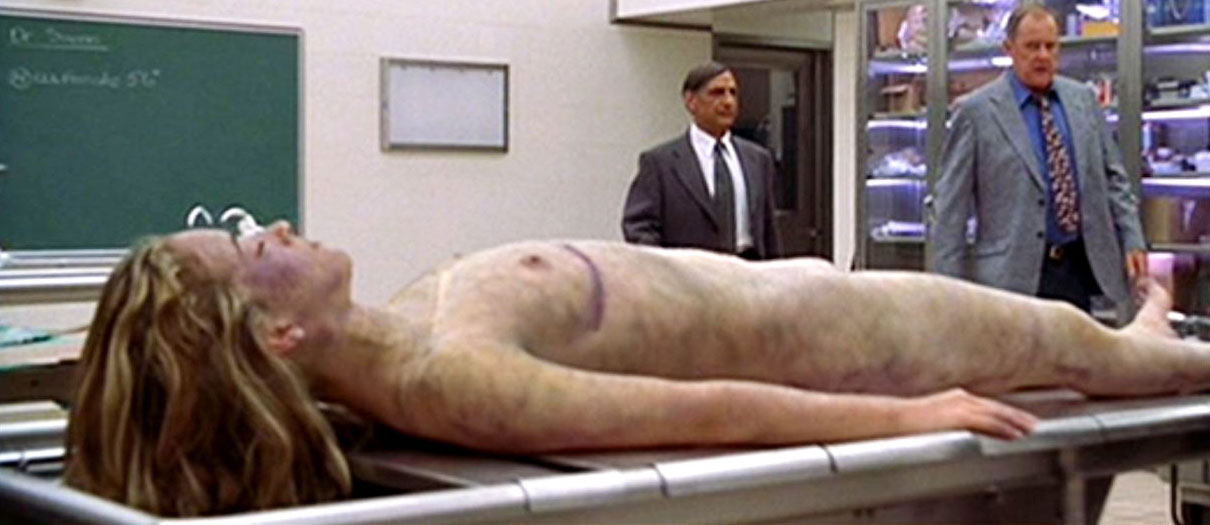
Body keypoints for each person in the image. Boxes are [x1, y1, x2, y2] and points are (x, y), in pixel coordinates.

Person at [68, 222, 1210, 516]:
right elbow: (700, 409)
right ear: (274, 336)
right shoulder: (449, 381)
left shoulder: (401, 334)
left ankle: (1152, 317)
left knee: (1111, 348)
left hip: (822, 299)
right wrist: (899, 415)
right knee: (1110, 362)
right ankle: (1157, 331)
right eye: (252, 253)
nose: (270, 227)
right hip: (873, 341)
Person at [930, 4, 1147, 314]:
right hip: (1009, 280)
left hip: (1076, 271)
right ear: (1009, 50)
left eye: (1050, 46)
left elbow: (1115, 179)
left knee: (1075, 348)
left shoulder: (1083, 101)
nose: (1043, 56)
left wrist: (1133, 238)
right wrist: (946, 295)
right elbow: (950, 211)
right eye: (1032, 47)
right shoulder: (977, 113)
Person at [622, 62, 782, 259]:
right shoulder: (660, 164)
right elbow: (639, 227)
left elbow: (769, 230)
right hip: (689, 272)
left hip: (746, 268)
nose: (728, 102)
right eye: (717, 93)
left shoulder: (757, 159)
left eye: (733, 93)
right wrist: (664, 267)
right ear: (691, 101)